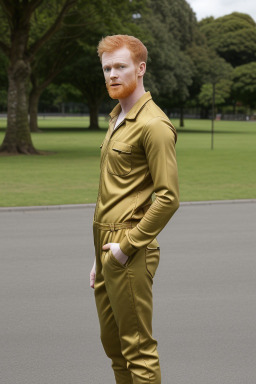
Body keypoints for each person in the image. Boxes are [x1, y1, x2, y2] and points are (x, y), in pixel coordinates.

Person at [90, 34, 179, 384]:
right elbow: (114, 193)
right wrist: (98, 260)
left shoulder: (154, 125)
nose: (112, 74)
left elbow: (168, 197)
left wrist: (126, 248)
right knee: (114, 349)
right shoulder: (116, 118)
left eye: (120, 66)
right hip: (106, 247)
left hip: (130, 248)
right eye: (107, 68)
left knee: (137, 351)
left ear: (140, 69)